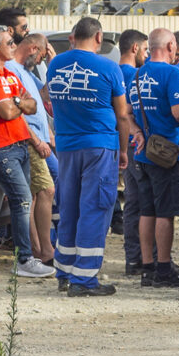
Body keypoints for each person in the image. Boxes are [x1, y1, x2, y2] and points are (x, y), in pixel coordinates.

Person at [46, 17, 138, 296]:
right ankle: (84, 279)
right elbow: (123, 114)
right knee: (95, 209)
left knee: (69, 208)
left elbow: (48, 97)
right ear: (99, 37)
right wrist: (123, 150)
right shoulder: (109, 68)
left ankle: (64, 272)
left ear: (73, 36)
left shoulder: (56, 64)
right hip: (99, 147)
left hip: (66, 148)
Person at [0, 24, 52, 279]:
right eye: (10, 43)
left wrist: (16, 102)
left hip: (18, 144)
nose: (14, 46)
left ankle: (29, 256)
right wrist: (18, 104)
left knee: (24, 200)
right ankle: (25, 259)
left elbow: (32, 104)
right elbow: (7, 112)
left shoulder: (9, 74)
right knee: (23, 200)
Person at [130, 28, 179, 288]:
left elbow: (127, 113)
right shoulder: (173, 74)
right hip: (168, 154)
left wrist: (137, 132)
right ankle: (164, 269)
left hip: (144, 154)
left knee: (147, 211)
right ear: (170, 46)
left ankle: (148, 268)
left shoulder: (137, 75)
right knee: (165, 213)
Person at [8, 30, 57, 268]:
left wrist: (52, 65)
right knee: (45, 190)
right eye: (41, 56)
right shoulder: (12, 70)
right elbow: (17, 111)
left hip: (38, 138)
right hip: (28, 140)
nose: (39, 61)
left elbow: (45, 95)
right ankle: (42, 250)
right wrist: (36, 140)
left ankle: (39, 248)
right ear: (33, 49)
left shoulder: (26, 72)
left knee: (36, 194)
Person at [116, 29, 150, 274]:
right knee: (141, 202)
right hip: (134, 143)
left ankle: (133, 258)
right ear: (135, 48)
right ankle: (140, 258)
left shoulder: (113, 71)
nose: (147, 56)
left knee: (131, 202)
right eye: (145, 50)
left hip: (122, 143)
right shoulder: (134, 75)